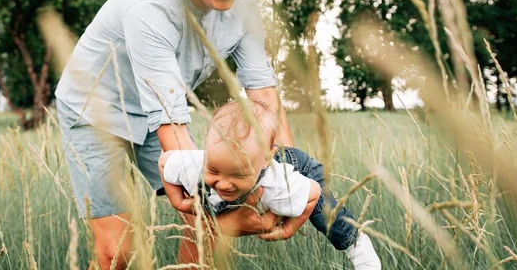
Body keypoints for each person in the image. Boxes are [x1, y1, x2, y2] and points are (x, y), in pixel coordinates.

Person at [55, 0, 295, 269]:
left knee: (210, 224)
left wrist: (292, 182)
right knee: (117, 252)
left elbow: (262, 93)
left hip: (157, 113)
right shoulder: (152, 8)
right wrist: (214, 201)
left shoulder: (245, 8)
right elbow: (170, 121)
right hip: (94, 111)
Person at [159, 100, 381, 269]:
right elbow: (165, 161)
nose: (224, 184)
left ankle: (355, 242)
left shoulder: (277, 185)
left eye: (237, 174)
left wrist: (289, 227)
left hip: (296, 164)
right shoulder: (195, 164)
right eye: (214, 171)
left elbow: (313, 193)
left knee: (326, 212)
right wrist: (178, 201)